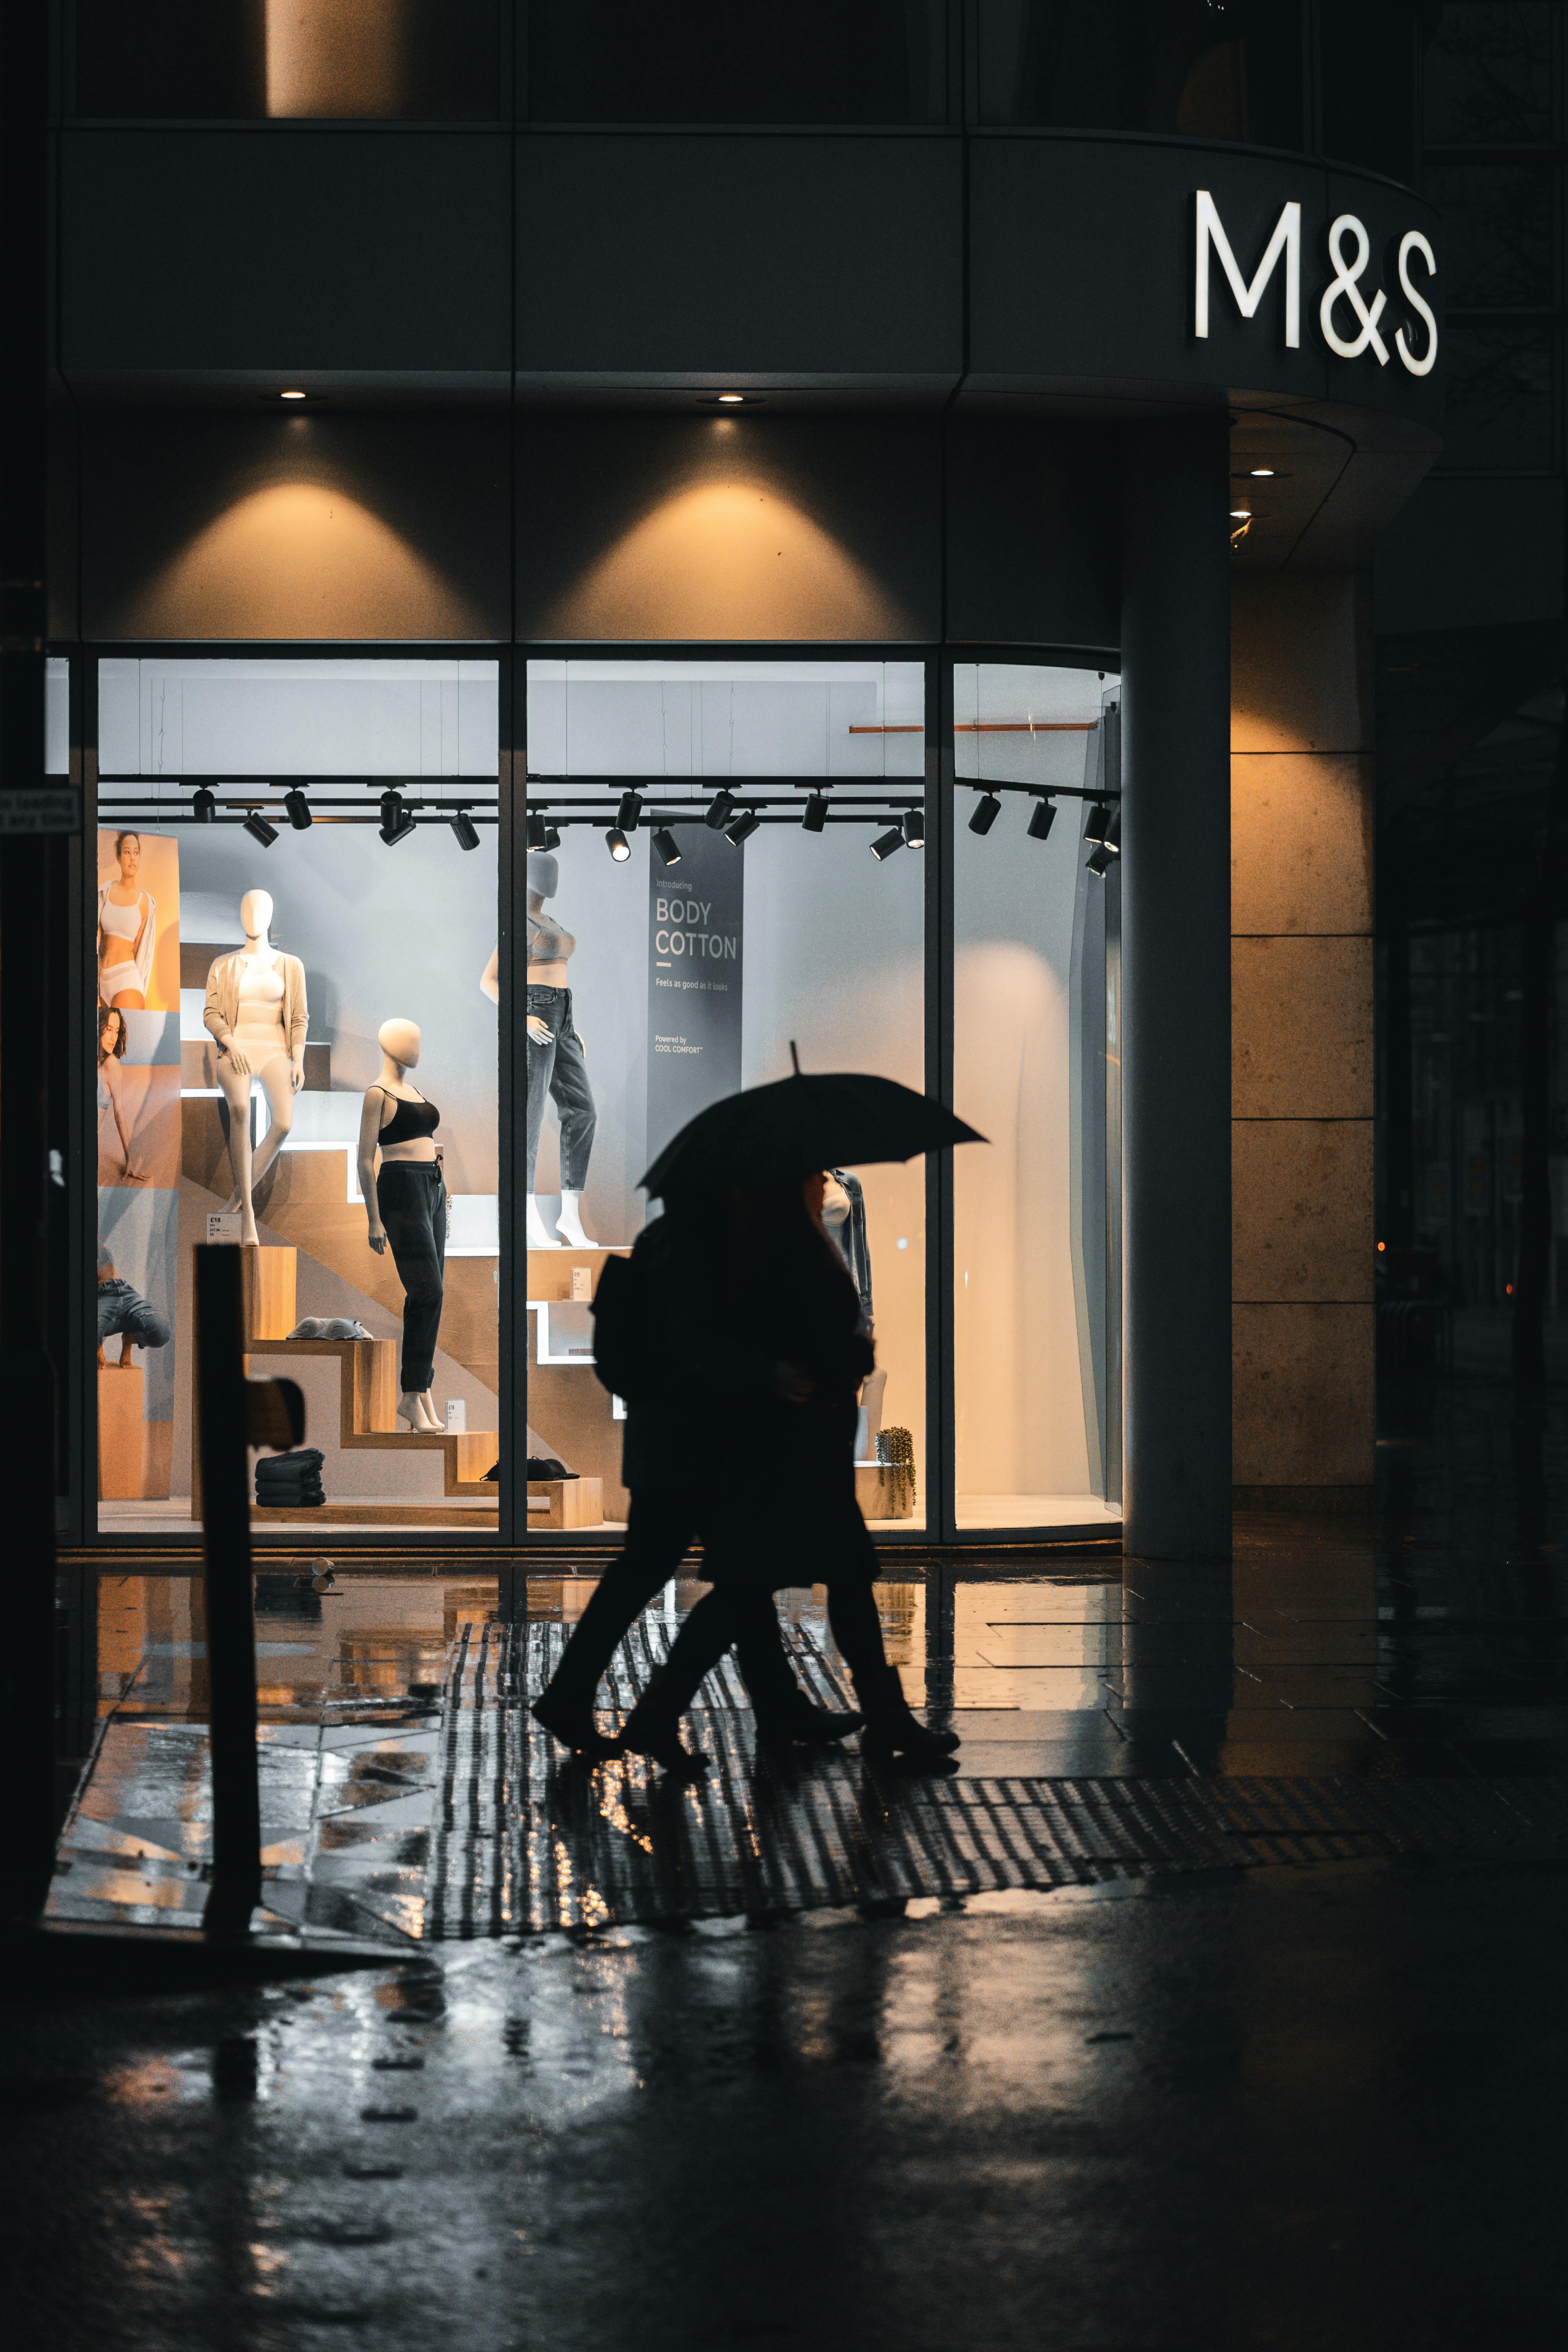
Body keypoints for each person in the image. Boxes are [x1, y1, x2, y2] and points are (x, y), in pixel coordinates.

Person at [611, 1174, 961, 1779]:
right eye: (812, 1178)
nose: (824, 1185)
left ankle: (874, 1716)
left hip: (800, 1443)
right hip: (785, 1446)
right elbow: (782, 1339)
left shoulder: (786, 1243)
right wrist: (839, 1357)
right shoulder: (771, 1248)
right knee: (767, 1587)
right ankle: (665, 1712)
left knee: (813, 1583)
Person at [530, 1192, 864, 1757]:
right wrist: (773, 1370)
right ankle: (634, 1708)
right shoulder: (705, 1243)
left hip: (673, 1436)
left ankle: (773, 1706)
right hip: (697, 1440)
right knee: (732, 1577)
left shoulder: (672, 1235)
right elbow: (697, 1342)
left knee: (712, 1575)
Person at [96, 832, 155, 1010]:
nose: (132, 859)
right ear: (119, 857)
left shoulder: (145, 901)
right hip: (102, 979)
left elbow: (140, 948)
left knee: (124, 1037)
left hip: (126, 980)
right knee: (98, 1037)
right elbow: (96, 938)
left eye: (136, 853)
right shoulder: (104, 892)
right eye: (127, 852)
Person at [96, 1241, 171, 1368]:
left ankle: (129, 1339)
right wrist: (98, 1347)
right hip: (102, 1297)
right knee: (89, 1330)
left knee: (161, 1332)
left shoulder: (90, 1234)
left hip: (125, 1292)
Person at [96, 1004, 142, 1183]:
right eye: (109, 1030)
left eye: (116, 1031)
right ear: (99, 1028)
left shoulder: (112, 1064)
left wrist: (129, 1158)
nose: (113, 1038)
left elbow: (119, 1113)